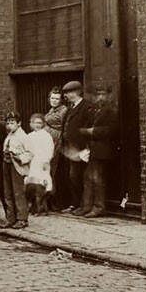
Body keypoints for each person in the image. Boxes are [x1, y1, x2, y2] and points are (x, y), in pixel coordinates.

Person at [76, 85, 117, 218]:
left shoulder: (111, 110)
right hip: (93, 150)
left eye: (103, 94)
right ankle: (86, 206)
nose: (100, 97)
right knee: (88, 177)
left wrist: (91, 131)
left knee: (97, 179)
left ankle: (99, 207)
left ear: (109, 95)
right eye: (98, 94)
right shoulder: (95, 110)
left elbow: (111, 129)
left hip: (103, 150)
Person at [60, 80, 95, 214]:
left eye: (68, 93)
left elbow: (89, 128)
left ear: (76, 93)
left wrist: (86, 149)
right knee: (71, 177)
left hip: (81, 150)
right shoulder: (71, 108)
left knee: (79, 177)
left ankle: (82, 205)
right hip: (69, 149)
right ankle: (75, 203)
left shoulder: (86, 107)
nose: (66, 96)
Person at [1, 111, 31, 229]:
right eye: (8, 123)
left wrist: (19, 157)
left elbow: (30, 153)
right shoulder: (9, 135)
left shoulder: (23, 136)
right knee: (8, 192)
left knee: (18, 192)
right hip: (7, 164)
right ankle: (11, 218)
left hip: (17, 166)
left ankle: (22, 219)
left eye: (12, 123)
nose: (9, 126)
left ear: (19, 123)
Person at [24, 113, 55, 216]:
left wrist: (46, 160)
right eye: (35, 123)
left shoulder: (46, 136)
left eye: (39, 123)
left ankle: (41, 206)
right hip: (32, 163)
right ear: (31, 124)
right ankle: (33, 205)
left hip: (42, 162)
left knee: (42, 184)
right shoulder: (29, 136)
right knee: (31, 183)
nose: (37, 125)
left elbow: (50, 149)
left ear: (43, 124)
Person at [43, 87, 68, 210]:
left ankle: (58, 203)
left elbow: (57, 122)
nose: (54, 100)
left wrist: (44, 121)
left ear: (61, 100)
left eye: (57, 99)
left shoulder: (63, 110)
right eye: (52, 98)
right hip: (49, 143)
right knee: (49, 171)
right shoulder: (51, 110)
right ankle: (50, 201)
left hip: (58, 143)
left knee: (56, 172)